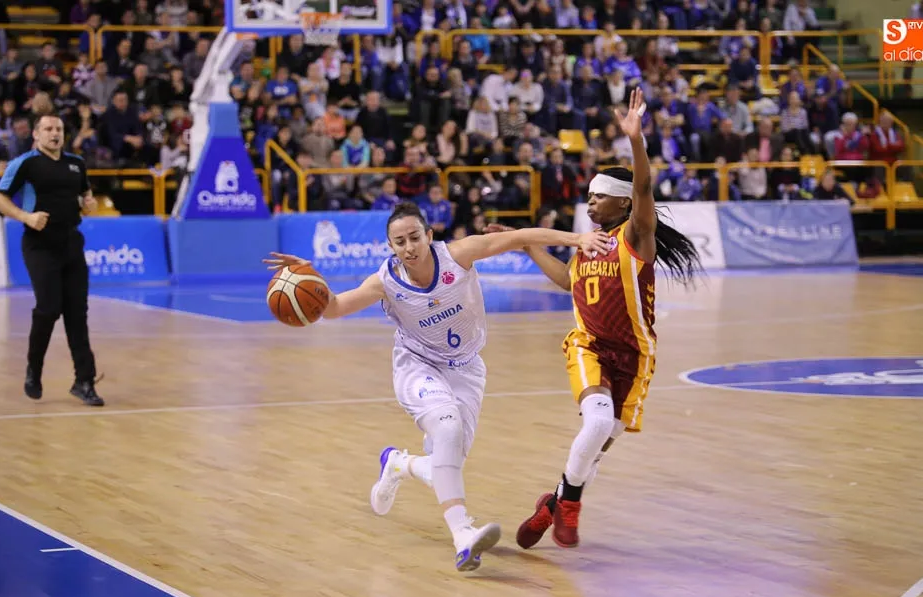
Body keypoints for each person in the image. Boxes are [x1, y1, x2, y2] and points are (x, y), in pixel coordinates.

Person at [263, 202, 610, 572]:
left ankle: (398, 464)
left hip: (466, 369)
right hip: (418, 366)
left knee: (450, 462)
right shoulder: (386, 282)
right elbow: (332, 308)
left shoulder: (458, 256)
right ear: (391, 246)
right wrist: (306, 277)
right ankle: (463, 534)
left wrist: (579, 239)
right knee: (446, 426)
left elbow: (521, 237)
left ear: (429, 236)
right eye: (400, 241)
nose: (409, 247)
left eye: (415, 237)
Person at [502, 88, 703, 549]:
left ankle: (551, 504)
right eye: (588, 196)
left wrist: (637, 141)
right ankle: (569, 509)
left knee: (597, 448)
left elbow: (646, 188)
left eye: (599, 198)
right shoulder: (587, 245)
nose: (589, 203)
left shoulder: (636, 238)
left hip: (634, 356)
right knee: (594, 428)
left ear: (624, 204)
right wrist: (528, 244)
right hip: (588, 344)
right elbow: (568, 282)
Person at [0, 113, 104, 406]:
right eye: (48, 129)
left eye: (58, 129)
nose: (54, 133)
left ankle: (84, 380)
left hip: (71, 243)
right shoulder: (25, 163)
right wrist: (25, 217)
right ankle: (35, 368)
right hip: (39, 246)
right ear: (36, 134)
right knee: (48, 308)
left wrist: (90, 203)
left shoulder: (76, 163)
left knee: (77, 313)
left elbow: (86, 195)